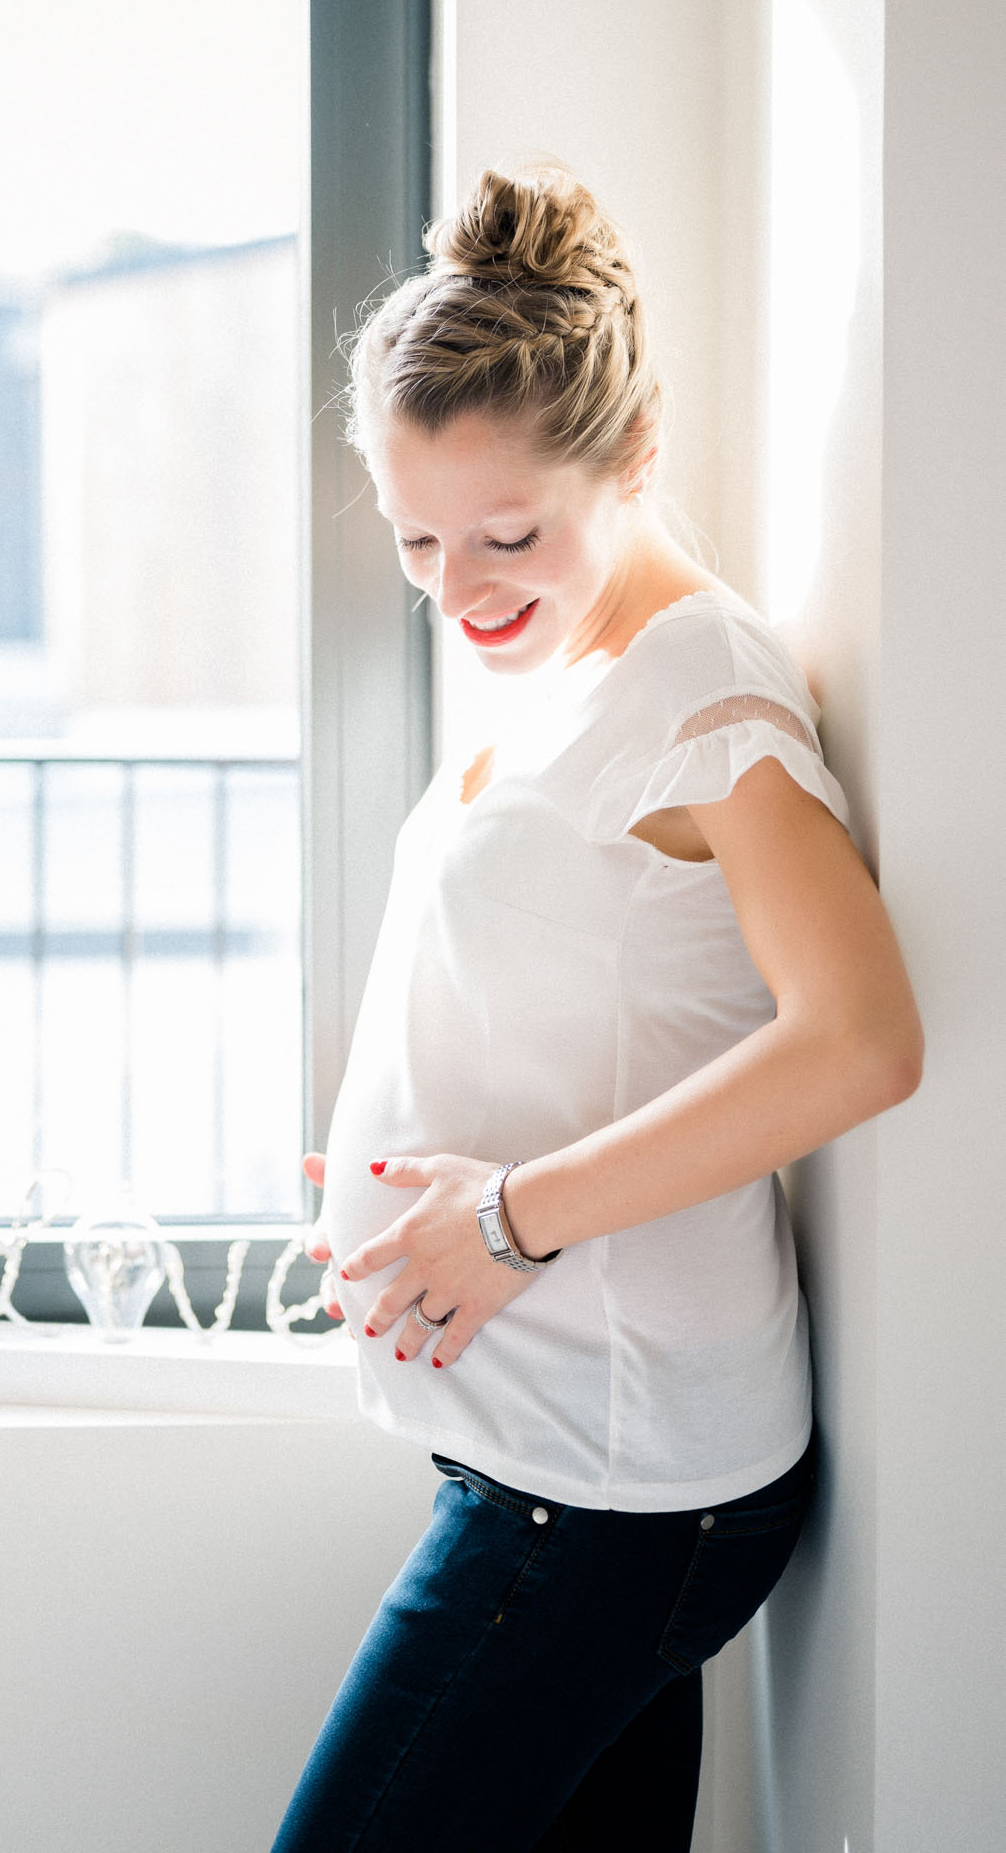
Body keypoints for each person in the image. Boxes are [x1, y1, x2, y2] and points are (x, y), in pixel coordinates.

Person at [271, 160, 922, 1852]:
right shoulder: (581, 668)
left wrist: (505, 1219)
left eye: (508, 532)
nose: (461, 581)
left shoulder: (704, 688)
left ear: (630, 465)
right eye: (417, 539)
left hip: (608, 1492)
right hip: (559, 1462)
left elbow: (859, 1038)